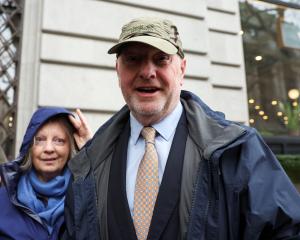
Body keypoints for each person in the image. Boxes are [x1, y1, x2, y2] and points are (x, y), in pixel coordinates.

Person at [63, 17, 300, 240]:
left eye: (161, 59)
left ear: (182, 70)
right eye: (133, 59)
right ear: (118, 70)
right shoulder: (90, 162)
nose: (147, 72)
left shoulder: (238, 150)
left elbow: (286, 230)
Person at [0, 107, 92, 239]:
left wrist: (91, 150)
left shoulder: (84, 198)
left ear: (70, 147)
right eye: (40, 140)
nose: (48, 148)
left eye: (58, 140)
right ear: (30, 148)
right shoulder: (4, 200)